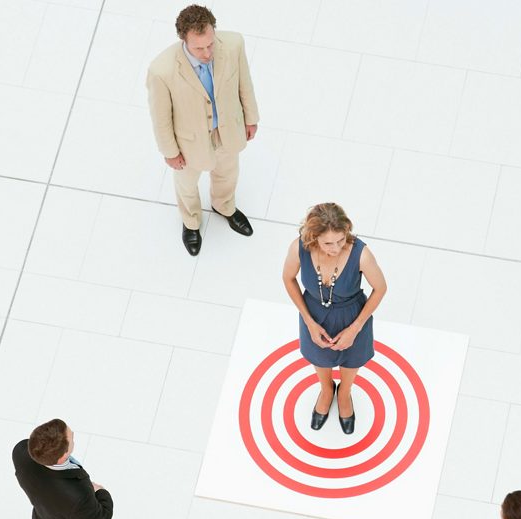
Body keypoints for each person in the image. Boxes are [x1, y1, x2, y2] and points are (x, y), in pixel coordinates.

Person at [146, 4, 260, 256]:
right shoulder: (161, 70)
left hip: (228, 130)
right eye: (199, 48)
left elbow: (244, 83)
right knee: (187, 186)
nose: (208, 52)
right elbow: (160, 117)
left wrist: (250, 118)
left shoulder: (232, 44)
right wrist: (170, 151)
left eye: (210, 44)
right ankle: (191, 222)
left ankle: (224, 206)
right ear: (183, 40)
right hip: (188, 144)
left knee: (228, 173)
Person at [281, 203, 387, 435]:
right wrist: (308, 321)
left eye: (341, 240)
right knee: (319, 356)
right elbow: (288, 278)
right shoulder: (299, 248)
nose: (336, 248)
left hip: (353, 316)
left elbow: (380, 288)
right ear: (313, 237)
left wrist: (355, 328)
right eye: (328, 243)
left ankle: (345, 393)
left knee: (352, 359)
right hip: (314, 314)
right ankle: (326, 390)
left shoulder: (362, 254)